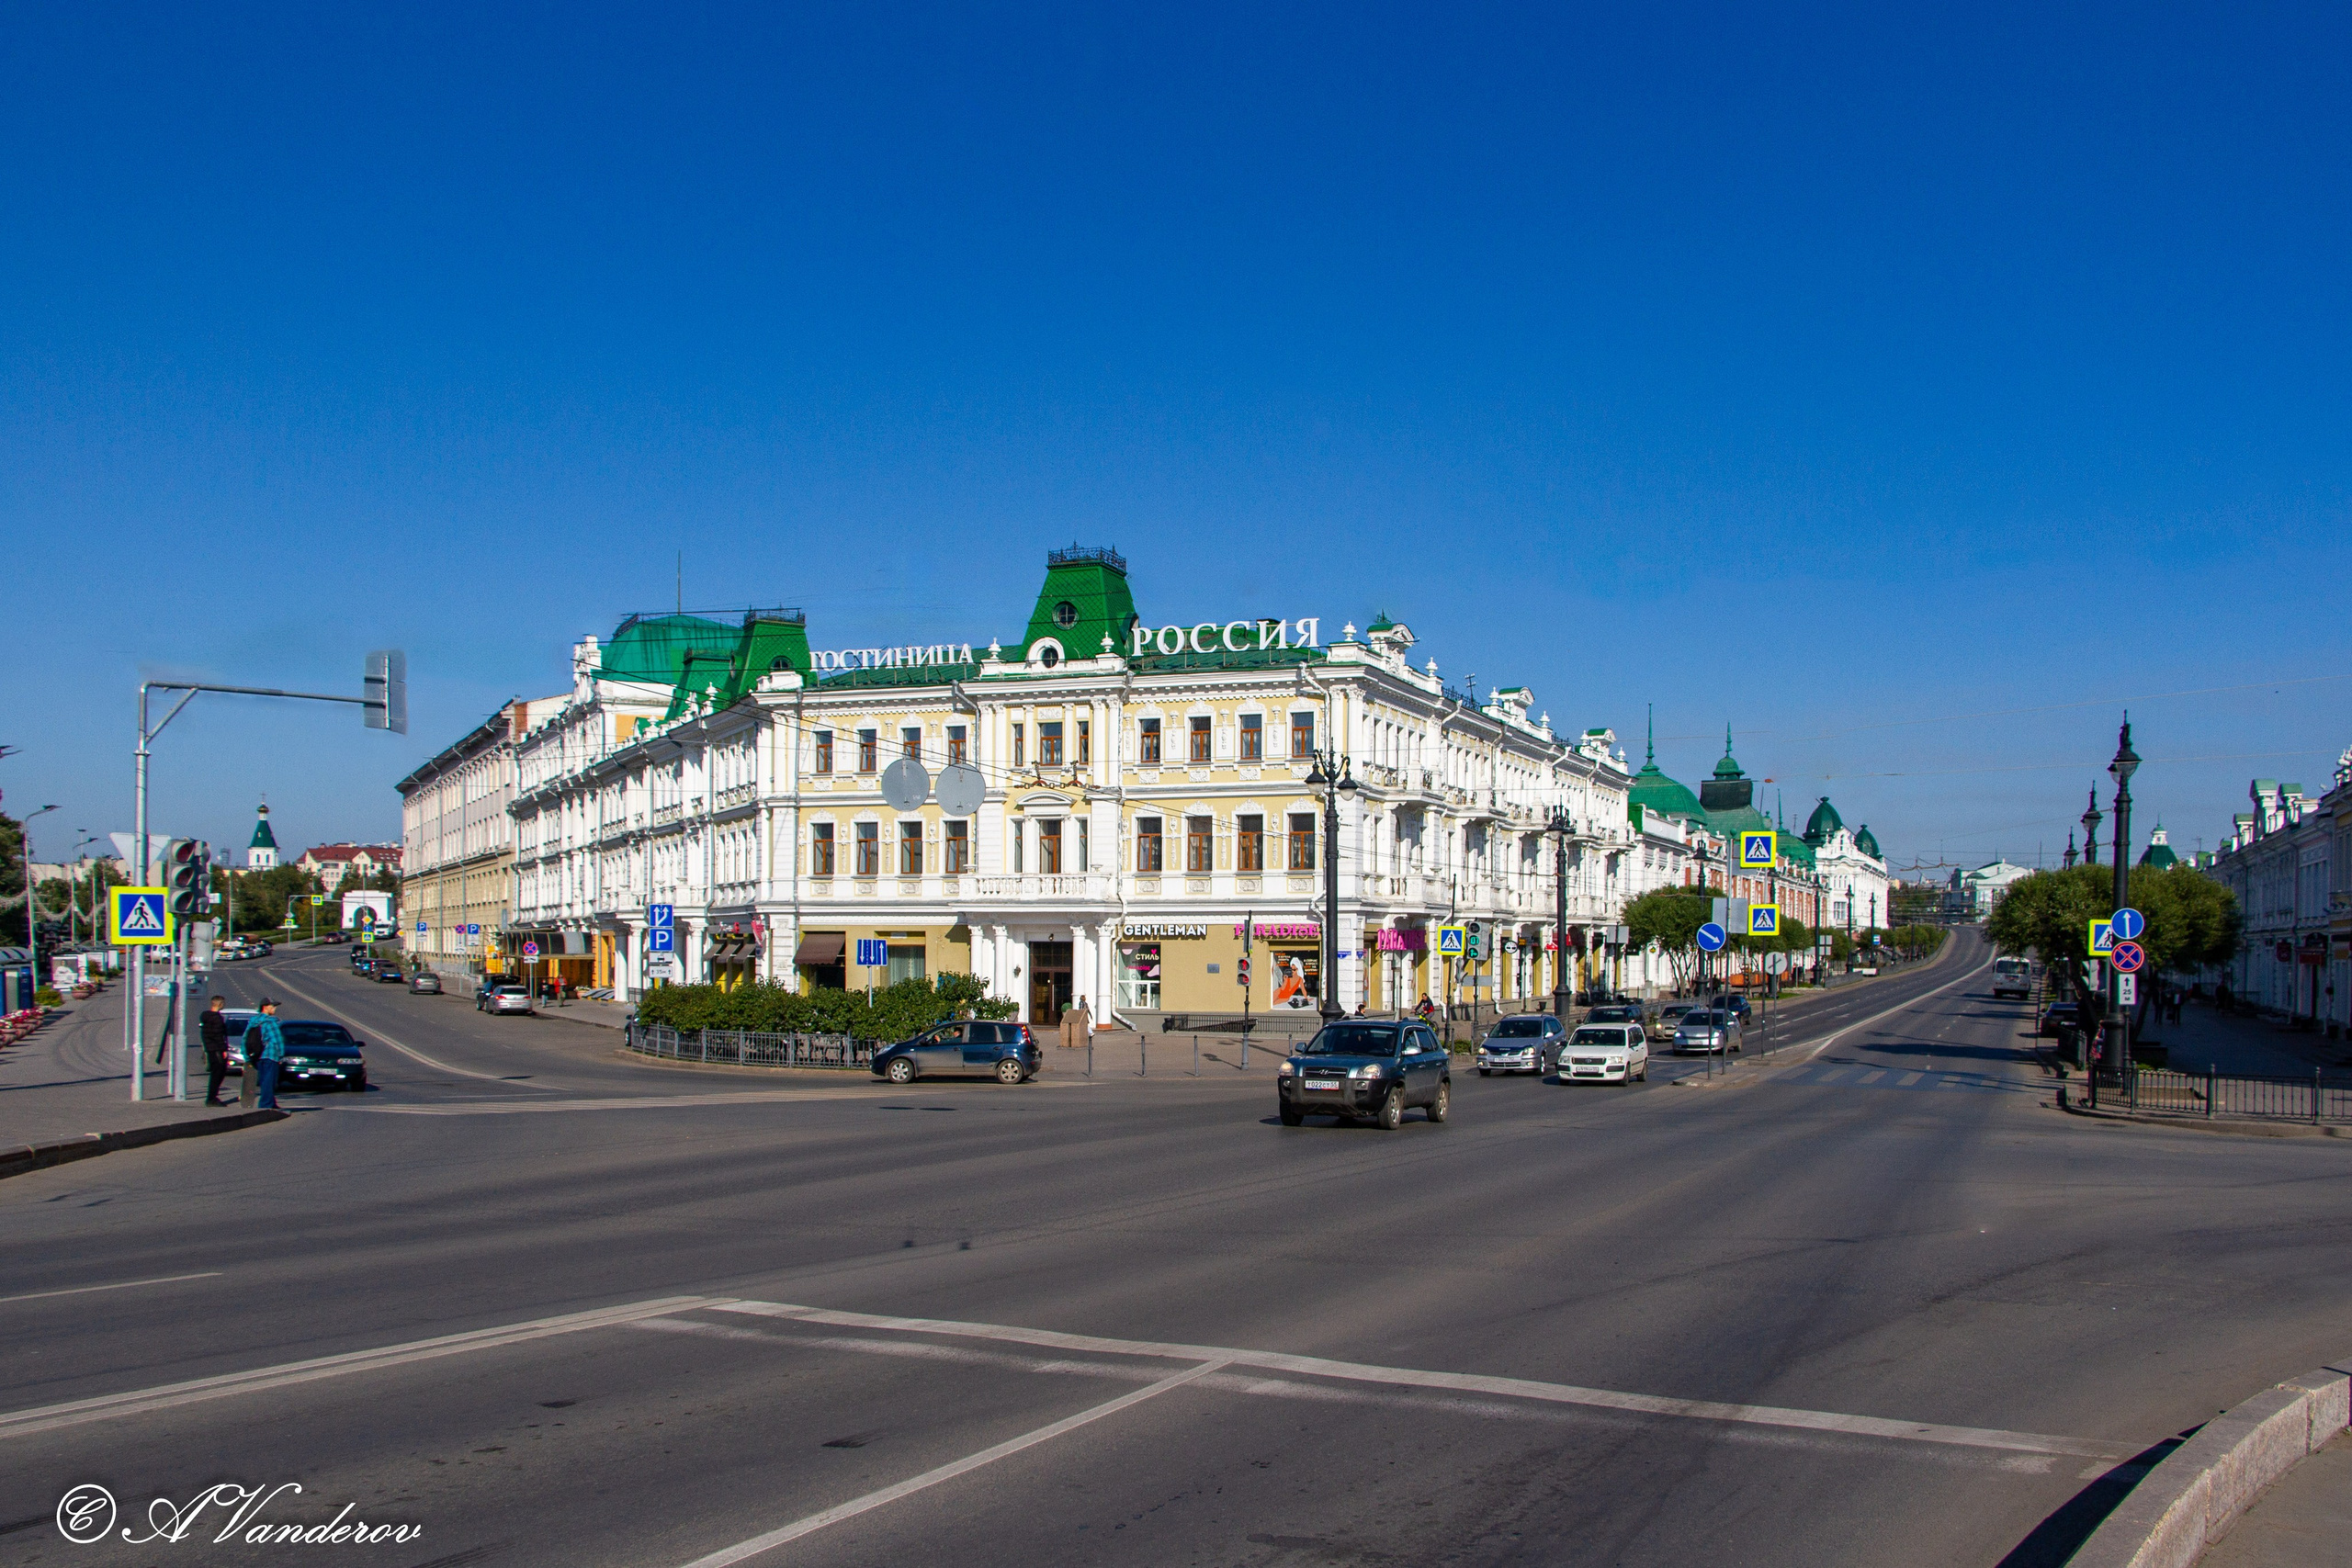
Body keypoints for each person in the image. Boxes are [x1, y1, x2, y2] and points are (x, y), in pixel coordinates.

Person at [247, 998, 287, 1111]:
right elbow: (277, 1040)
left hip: (258, 1055)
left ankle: (271, 1102)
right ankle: (266, 1105)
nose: (275, 1008)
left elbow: (246, 1038)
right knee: (270, 1081)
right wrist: (281, 1054)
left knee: (264, 1080)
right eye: (272, 1006)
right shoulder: (270, 1022)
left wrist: (247, 1055)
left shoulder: (253, 1021)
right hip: (271, 1055)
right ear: (265, 1007)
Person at [198, 996, 232, 1106]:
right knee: (218, 1074)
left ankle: (212, 1097)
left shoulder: (205, 1017)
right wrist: (223, 1050)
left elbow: (206, 1034)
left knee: (215, 1073)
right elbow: (218, 1036)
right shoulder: (216, 1018)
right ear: (220, 1004)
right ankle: (211, 1098)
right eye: (223, 1003)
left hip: (210, 1048)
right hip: (217, 1049)